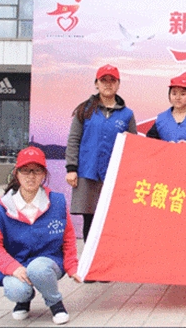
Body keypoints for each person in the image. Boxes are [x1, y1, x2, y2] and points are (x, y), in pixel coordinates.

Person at [0, 147, 80, 324]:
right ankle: (24, 299)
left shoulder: (57, 202)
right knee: (15, 289)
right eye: (25, 170)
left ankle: (55, 302)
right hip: (18, 264)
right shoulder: (0, 209)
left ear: (44, 174)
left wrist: (72, 266)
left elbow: (68, 238)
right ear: (16, 173)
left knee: (38, 268)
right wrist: (13, 268)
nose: (31, 176)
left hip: (49, 262)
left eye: (37, 170)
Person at [65, 64, 137, 244]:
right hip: (88, 172)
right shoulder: (85, 110)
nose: (108, 84)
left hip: (114, 176)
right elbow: (74, 139)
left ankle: (108, 257)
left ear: (118, 84)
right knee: (90, 218)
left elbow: (133, 147)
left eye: (112, 80)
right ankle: (89, 258)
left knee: (112, 218)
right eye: (103, 80)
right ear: (96, 83)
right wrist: (71, 168)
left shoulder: (127, 114)